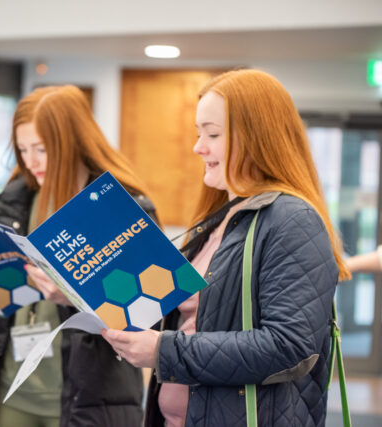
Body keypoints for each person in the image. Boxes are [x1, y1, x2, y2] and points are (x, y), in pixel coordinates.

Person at [101, 69, 351, 427]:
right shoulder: (219, 218)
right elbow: (199, 321)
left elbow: (290, 347)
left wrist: (163, 350)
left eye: (213, 134)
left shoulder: (291, 219)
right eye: (198, 133)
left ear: (258, 137)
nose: (197, 147)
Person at [0, 85, 158, 427]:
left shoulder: (120, 207)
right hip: (7, 390)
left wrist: (72, 298)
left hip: (87, 399)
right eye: (23, 149)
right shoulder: (12, 204)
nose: (31, 161)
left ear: (73, 143)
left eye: (41, 148)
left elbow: (149, 316)